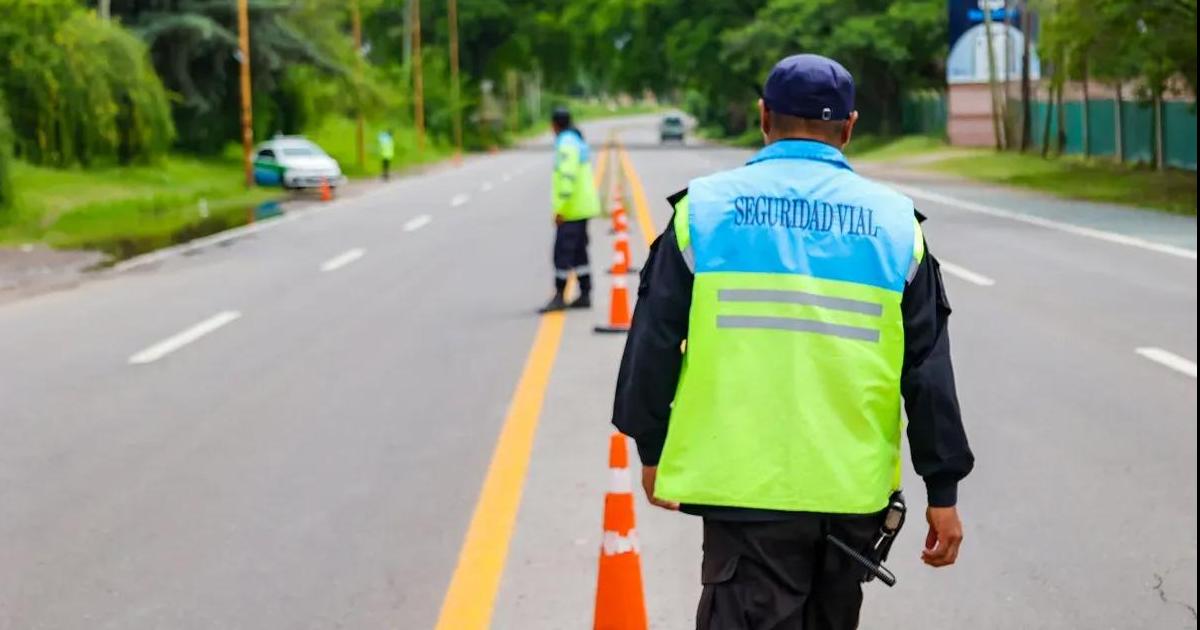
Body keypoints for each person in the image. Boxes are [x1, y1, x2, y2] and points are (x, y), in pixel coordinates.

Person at [612, 54, 975, 629]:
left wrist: (652, 450)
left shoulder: (703, 212)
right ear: (849, 128)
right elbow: (928, 370)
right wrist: (942, 490)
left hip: (743, 489)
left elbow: (653, 345)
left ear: (764, 117)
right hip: (850, 495)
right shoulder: (896, 226)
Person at [539, 107, 601, 312]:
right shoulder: (576, 140)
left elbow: (567, 177)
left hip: (572, 209)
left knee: (562, 253)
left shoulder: (566, 144)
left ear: (554, 125)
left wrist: (561, 209)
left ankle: (559, 295)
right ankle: (585, 293)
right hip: (582, 207)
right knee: (579, 252)